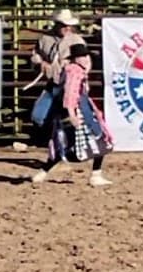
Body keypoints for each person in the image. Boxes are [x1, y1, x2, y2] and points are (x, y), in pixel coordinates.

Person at [32, 43, 113, 186]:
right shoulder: (75, 72)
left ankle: (42, 172)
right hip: (79, 112)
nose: (85, 59)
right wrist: (72, 113)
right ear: (76, 59)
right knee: (100, 139)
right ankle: (96, 175)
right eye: (82, 56)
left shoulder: (69, 70)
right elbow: (70, 93)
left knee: (66, 143)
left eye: (86, 56)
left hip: (73, 110)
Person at [30, 8, 86, 133]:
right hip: (53, 83)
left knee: (71, 116)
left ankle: (66, 142)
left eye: (69, 25)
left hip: (71, 85)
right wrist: (40, 63)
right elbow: (36, 55)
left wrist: (73, 67)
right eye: (64, 25)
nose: (67, 28)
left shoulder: (76, 40)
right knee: (38, 116)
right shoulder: (45, 39)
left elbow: (84, 61)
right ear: (57, 25)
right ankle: (53, 137)